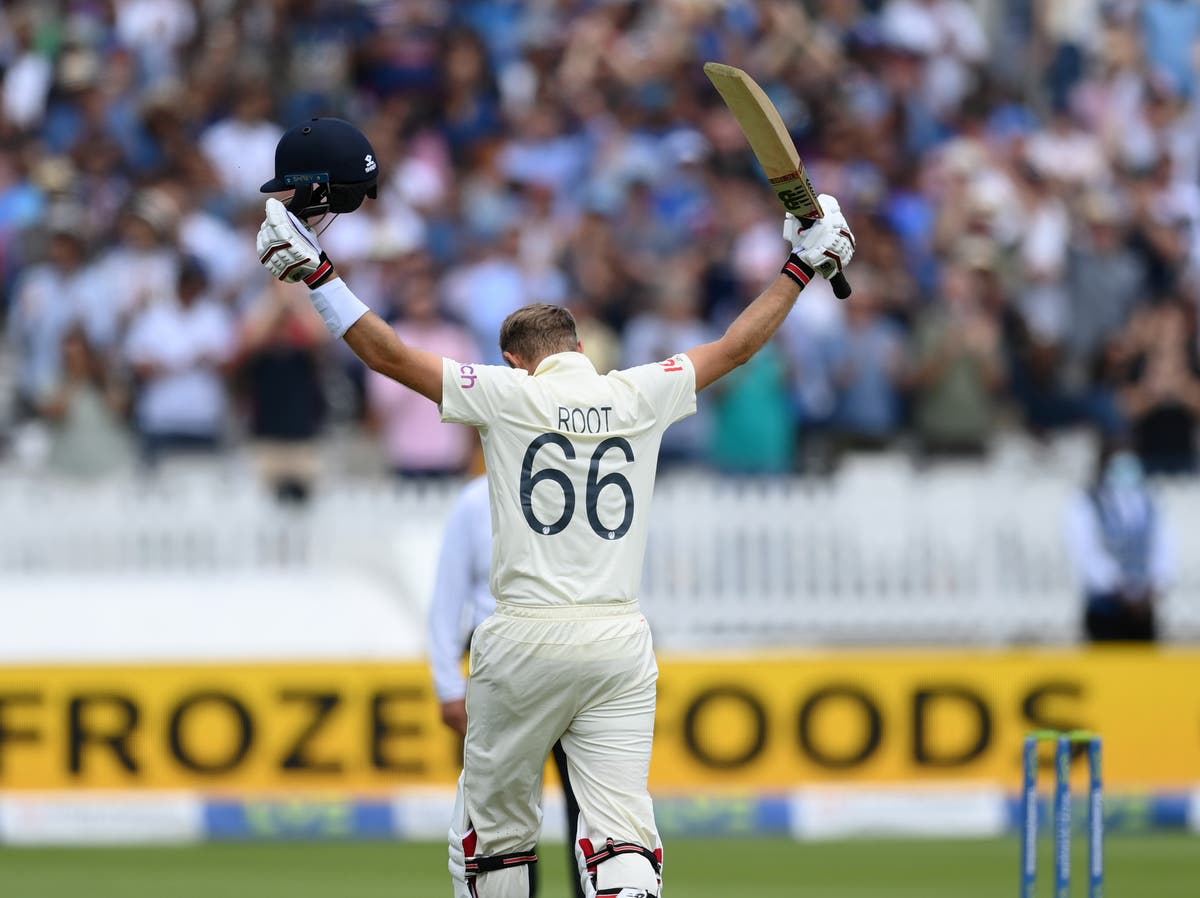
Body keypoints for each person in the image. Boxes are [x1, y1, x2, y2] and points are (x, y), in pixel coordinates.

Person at [255, 116, 854, 898]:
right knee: (618, 840)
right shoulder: (637, 392)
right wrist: (802, 268)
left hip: (525, 638)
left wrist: (317, 275)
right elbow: (738, 345)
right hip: (619, 640)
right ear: (581, 349)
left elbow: (388, 355)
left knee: (495, 840)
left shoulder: (503, 395)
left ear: (517, 360)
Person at [428, 474, 584, 898]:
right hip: (502, 679)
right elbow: (447, 597)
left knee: (586, 809)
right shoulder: (476, 502)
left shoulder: (569, 491)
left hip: (569, 665)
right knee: (506, 815)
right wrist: (448, 685)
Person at [1065, 441, 1174, 642]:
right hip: (1106, 605)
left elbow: (1163, 545)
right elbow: (1086, 551)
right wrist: (1120, 588)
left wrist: (1155, 584)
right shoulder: (1087, 501)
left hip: (1144, 605)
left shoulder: (1149, 499)